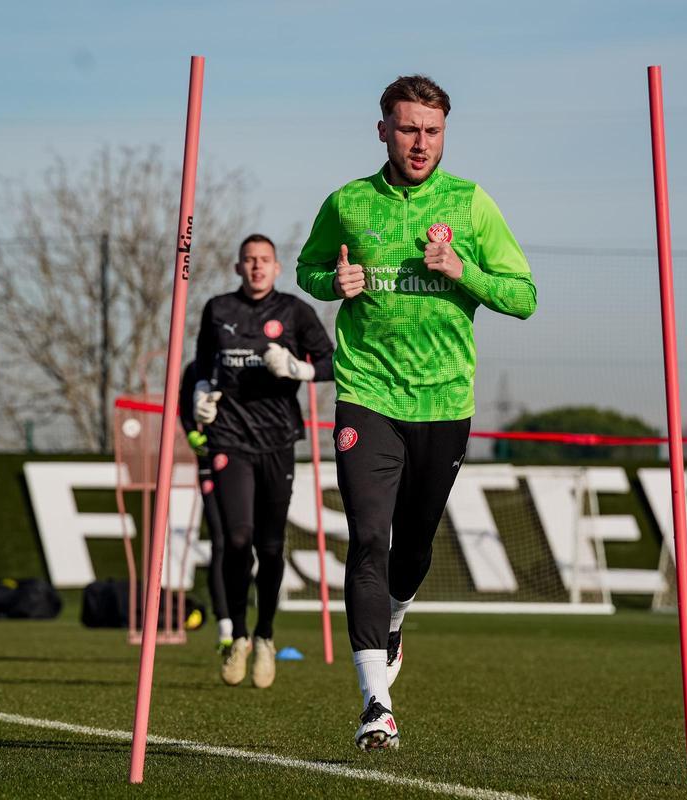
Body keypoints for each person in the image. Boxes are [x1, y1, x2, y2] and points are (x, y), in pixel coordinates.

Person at [296, 75, 536, 749]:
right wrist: (330, 283)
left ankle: (397, 615)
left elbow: (524, 296)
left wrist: (464, 271)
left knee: (413, 548)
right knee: (368, 538)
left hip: (444, 402)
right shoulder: (347, 202)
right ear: (382, 130)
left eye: (431, 130)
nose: (419, 142)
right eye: (407, 129)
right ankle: (376, 702)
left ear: (444, 134)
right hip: (367, 395)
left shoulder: (470, 203)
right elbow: (310, 269)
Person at [193, 233, 334, 688]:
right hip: (229, 439)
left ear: (276, 268)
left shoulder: (294, 311)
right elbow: (200, 366)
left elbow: (334, 361)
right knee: (236, 539)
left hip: (277, 440)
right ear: (238, 268)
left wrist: (300, 368)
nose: (256, 267)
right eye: (249, 260)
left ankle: (266, 635)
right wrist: (199, 396)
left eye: (264, 260)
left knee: (270, 548)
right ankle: (237, 634)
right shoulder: (218, 309)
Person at [178, 359, 232, 654]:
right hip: (210, 463)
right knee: (221, 542)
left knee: (245, 540)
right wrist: (192, 434)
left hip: (244, 458)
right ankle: (224, 625)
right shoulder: (196, 368)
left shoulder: (242, 360)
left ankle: (252, 628)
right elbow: (185, 410)